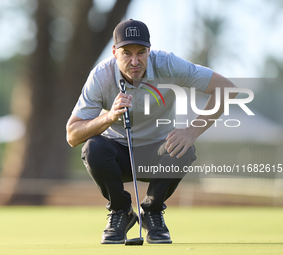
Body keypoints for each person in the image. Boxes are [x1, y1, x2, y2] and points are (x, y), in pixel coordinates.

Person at [66, 19, 236, 244]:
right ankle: (121, 212)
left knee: (183, 148)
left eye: (141, 52)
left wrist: (192, 131)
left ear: (149, 50)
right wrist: (109, 116)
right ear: (115, 52)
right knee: (93, 148)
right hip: (117, 155)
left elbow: (227, 89)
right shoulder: (100, 76)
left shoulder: (168, 64)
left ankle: (152, 211)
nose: (135, 61)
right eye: (127, 53)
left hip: (157, 152)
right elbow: (72, 135)